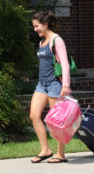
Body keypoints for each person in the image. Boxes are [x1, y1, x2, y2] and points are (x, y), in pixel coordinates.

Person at [30, 11, 71, 163]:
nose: (35, 29)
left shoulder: (56, 40)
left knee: (56, 121)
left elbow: (65, 64)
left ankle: (61, 154)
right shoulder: (42, 42)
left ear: (45, 24)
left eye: (37, 26)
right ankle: (46, 149)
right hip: (42, 84)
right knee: (34, 116)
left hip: (55, 84)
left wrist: (65, 85)